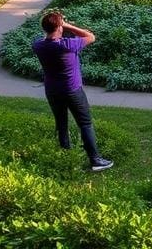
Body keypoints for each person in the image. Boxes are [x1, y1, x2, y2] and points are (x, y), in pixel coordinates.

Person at [32, 10, 114, 172]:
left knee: (61, 124)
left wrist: (57, 25)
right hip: (72, 90)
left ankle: (66, 159)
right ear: (59, 27)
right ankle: (95, 160)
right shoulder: (67, 45)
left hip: (52, 91)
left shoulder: (38, 46)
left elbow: (45, 38)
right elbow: (90, 37)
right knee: (85, 123)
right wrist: (67, 25)